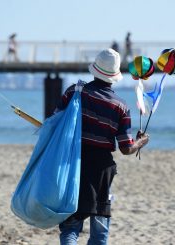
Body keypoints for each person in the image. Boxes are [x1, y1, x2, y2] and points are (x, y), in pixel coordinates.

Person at [55, 49, 149, 245]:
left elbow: (55, 122)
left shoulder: (73, 92)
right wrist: (140, 142)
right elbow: (126, 148)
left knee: (70, 228)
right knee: (99, 235)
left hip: (72, 165)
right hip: (101, 172)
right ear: (114, 77)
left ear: (95, 70)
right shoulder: (120, 106)